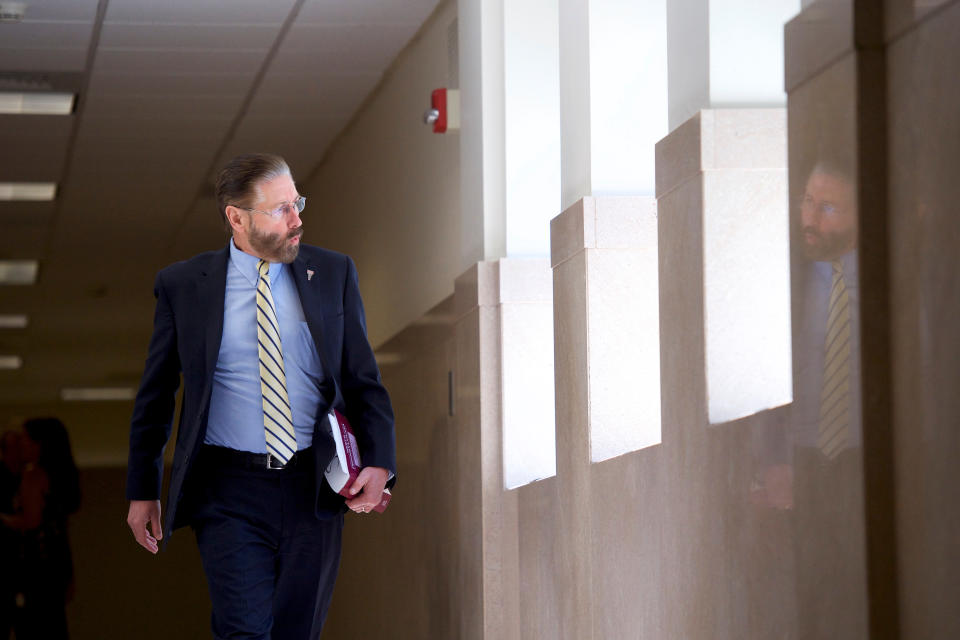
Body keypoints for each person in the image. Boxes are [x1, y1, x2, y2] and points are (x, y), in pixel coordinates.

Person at [125, 153, 396, 639]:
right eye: (280, 210)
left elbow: (361, 377)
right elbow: (157, 393)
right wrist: (142, 489)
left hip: (312, 484)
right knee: (243, 630)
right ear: (236, 217)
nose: (297, 220)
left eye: (297, 203)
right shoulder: (185, 285)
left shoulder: (333, 274)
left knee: (298, 630)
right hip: (228, 488)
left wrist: (380, 460)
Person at [0, 418, 81, 640]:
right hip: (52, 564)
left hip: (34, 566)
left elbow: (31, 522)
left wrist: (4, 519)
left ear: (38, 444)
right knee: (52, 626)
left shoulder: (34, 476)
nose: (21, 445)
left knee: (34, 626)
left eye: (25, 439)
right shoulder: (55, 476)